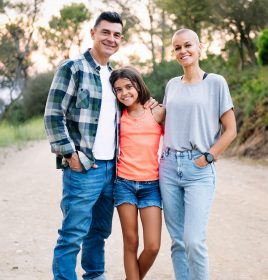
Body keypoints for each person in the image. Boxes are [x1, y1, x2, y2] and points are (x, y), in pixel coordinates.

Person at [44, 11, 157, 280]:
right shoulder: (72, 68)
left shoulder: (113, 77)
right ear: (93, 33)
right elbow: (52, 115)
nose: (111, 38)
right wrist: (70, 155)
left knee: (99, 233)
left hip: (113, 171)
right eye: (105, 32)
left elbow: (131, 110)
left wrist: (151, 104)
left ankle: (94, 276)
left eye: (117, 34)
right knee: (73, 233)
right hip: (84, 169)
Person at [159, 28, 237, 280]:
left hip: (199, 168)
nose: (183, 51)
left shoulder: (215, 82)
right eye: (178, 48)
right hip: (169, 166)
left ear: (200, 47)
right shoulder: (171, 85)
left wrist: (208, 157)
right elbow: (164, 123)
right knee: (178, 241)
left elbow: (231, 129)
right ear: (174, 53)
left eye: (188, 45)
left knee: (194, 241)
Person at [109, 67, 165, 280]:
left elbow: (173, 142)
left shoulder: (157, 111)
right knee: (131, 241)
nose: (124, 93)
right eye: (118, 90)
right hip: (124, 183)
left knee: (152, 245)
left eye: (128, 87)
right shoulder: (117, 115)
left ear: (138, 86)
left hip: (151, 186)